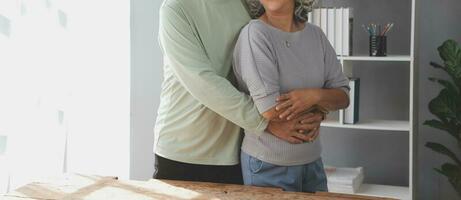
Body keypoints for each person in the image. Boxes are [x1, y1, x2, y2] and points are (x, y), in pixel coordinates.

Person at [153, 0, 326, 184]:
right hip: (185, 152)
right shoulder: (175, 8)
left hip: (238, 150)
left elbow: (279, 61)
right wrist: (266, 123)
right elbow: (202, 82)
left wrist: (316, 108)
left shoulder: (250, 4)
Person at [233, 0, 350, 192]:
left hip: (313, 164)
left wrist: (314, 96)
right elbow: (270, 109)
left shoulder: (316, 35)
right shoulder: (254, 33)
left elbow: (343, 96)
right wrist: (321, 107)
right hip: (267, 166)